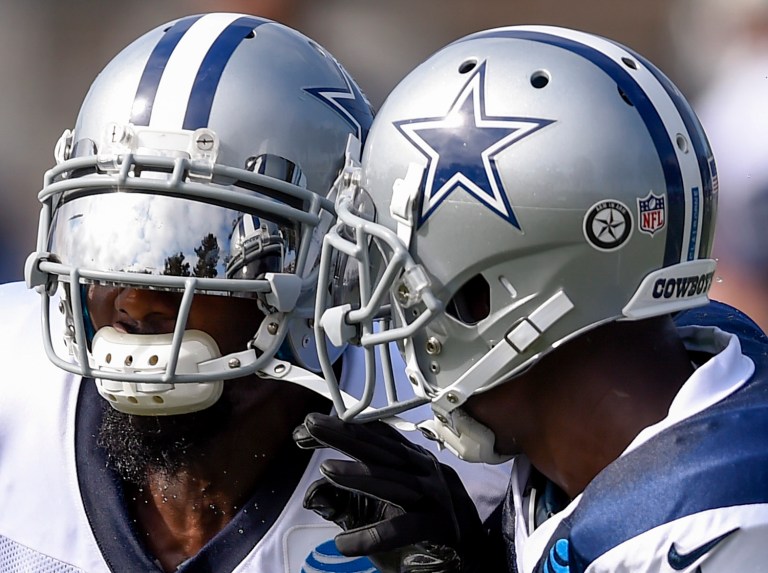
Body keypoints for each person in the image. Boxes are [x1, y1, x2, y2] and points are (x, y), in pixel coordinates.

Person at [0, 13, 511, 573]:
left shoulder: (453, 461)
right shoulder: (13, 388)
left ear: (331, 269)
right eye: (103, 243)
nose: (134, 300)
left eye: (198, 251)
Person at [295, 25, 768, 572]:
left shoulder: (719, 523)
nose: (389, 313)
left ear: (490, 295)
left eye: (403, 280)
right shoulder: (698, 367)